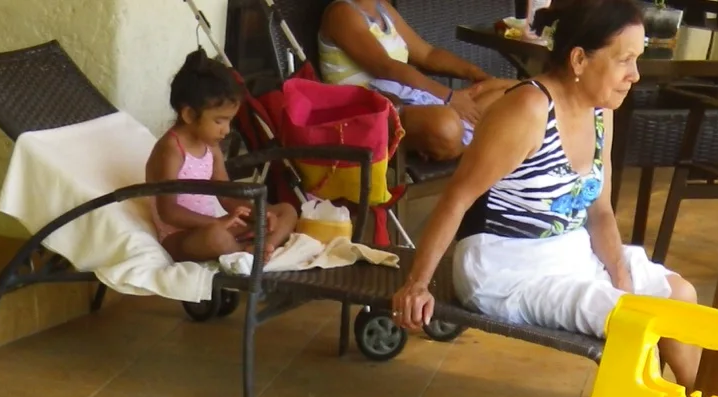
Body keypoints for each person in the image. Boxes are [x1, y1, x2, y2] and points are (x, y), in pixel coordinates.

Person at [389, 0, 702, 388]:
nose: (635, 75)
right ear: (579, 59)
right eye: (624, 60)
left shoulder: (601, 110)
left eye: (637, 60)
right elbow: (458, 197)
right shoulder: (528, 109)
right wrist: (417, 284)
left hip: (569, 252)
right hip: (505, 265)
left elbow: (600, 211)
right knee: (635, 322)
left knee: (679, 296)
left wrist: (620, 279)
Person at [319, 0, 519, 160]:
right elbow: (386, 67)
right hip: (370, 114)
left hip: (412, 99)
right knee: (446, 127)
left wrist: (475, 74)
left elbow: (428, 55)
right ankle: (475, 144)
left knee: (517, 91)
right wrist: (449, 97)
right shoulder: (342, 13)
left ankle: (466, 138)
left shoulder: (383, 8)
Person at [147, 52, 298, 261]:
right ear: (189, 114)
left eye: (229, 121)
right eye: (219, 121)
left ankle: (264, 246)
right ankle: (247, 253)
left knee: (286, 210)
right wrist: (216, 223)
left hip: (213, 225)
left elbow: (227, 196)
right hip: (179, 237)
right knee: (215, 237)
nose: (226, 130)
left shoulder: (211, 146)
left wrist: (258, 214)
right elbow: (168, 211)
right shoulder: (172, 149)